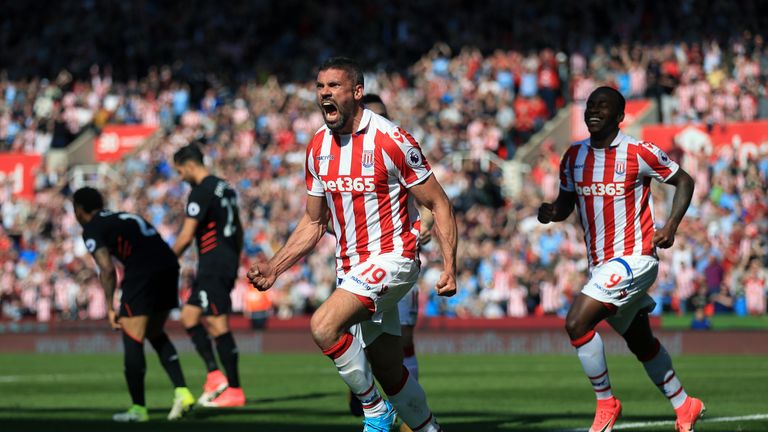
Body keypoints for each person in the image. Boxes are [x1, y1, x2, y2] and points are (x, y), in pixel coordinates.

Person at [248, 57, 456, 432]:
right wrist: (275, 267)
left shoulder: (392, 140)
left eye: (334, 86)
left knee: (324, 326)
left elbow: (438, 201)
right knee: (391, 371)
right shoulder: (317, 148)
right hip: (352, 269)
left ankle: (373, 410)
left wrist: (450, 266)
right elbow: (314, 222)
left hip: (394, 258)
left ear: (356, 92)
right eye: (320, 86)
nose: (324, 93)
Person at [538, 86, 704, 432]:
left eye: (603, 106)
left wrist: (671, 226)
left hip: (636, 257)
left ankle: (606, 403)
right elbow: (566, 202)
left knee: (576, 323)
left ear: (619, 116)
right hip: (601, 266)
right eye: (590, 105)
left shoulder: (638, 151)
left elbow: (684, 181)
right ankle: (685, 404)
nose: (594, 111)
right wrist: (553, 212)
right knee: (640, 341)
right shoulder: (572, 157)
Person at [343, 94, 434, 427]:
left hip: (395, 260)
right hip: (355, 263)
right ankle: (377, 401)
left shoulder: (393, 145)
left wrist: (427, 224)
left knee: (404, 338)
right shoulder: (339, 154)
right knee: (360, 341)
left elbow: (428, 200)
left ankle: (406, 415)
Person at [73, 187, 194, 422]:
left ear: (78, 210)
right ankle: (183, 392)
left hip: (142, 271)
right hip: (169, 266)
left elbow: (107, 269)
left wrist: (109, 307)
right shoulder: (125, 216)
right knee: (154, 332)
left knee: (132, 334)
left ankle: (138, 409)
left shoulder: (91, 228)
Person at [172, 144, 246, 407]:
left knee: (217, 323)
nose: (180, 177)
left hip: (213, 262)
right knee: (189, 316)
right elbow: (238, 228)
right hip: (224, 260)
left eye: (180, 171)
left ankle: (234, 389)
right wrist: (234, 258)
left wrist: (164, 262)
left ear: (190, 165)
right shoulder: (224, 187)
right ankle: (215, 375)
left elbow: (186, 234)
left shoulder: (200, 191)